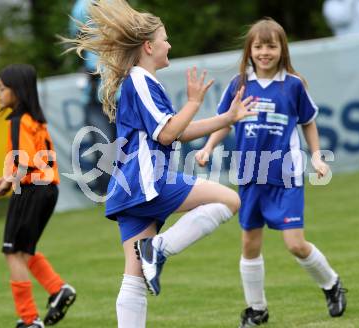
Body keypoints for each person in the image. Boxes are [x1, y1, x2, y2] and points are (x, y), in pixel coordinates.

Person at [69, 1, 257, 327]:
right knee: (230, 200)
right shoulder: (140, 80)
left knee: (134, 276)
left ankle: (151, 250)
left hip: (130, 186)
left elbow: (176, 132)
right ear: (148, 46)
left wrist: (226, 117)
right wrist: (195, 102)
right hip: (146, 182)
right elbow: (170, 133)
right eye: (165, 39)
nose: (169, 44)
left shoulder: (142, 81)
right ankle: (157, 248)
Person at [195, 18, 347, 327]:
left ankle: (331, 284)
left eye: (272, 46)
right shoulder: (239, 84)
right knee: (250, 244)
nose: (265, 52)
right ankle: (257, 309)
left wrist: (316, 157)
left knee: (295, 244)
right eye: (259, 46)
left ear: (282, 49)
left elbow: (308, 121)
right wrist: (208, 147)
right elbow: (224, 121)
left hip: (286, 175)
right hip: (251, 176)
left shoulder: (293, 85)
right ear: (249, 50)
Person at [0, 64, 76, 328]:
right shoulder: (35, 120)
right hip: (48, 189)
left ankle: (29, 319)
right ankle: (58, 290)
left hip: (30, 189)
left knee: (12, 251)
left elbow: (24, 162)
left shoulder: (18, 120)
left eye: (2, 89)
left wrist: (7, 182)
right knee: (25, 250)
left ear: (17, 92)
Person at [69, 0, 116, 197]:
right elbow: (76, 38)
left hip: (120, 91)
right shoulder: (82, 5)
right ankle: (108, 194)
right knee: (104, 144)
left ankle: (126, 191)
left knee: (124, 144)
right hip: (97, 91)